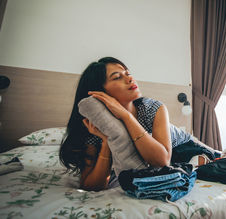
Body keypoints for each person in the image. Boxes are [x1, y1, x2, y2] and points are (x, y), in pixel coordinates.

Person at [60, 57, 198, 191]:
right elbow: (90, 186)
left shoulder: (153, 108)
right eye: (117, 77)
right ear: (100, 92)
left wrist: (126, 116)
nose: (130, 78)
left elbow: (162, 162)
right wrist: (107, 141)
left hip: (185, 146)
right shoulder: (94, 126)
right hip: (169, 158)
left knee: (213, 158)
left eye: (128, 73)